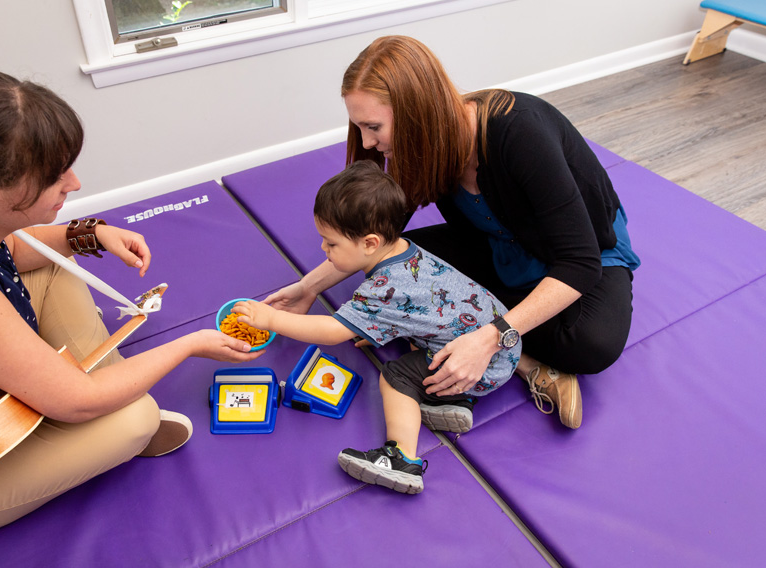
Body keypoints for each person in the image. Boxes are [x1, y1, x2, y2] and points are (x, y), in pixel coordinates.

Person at [0, 64, 262, 546]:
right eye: (55, 176)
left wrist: (88, 234)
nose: (74, 183)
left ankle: (100, 391)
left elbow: (13, 250)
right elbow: (76, 404)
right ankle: (112, 406)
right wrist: (191, 344)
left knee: (56, 262)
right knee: (134, 419)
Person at [266, 36, 640, 430]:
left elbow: (579, 262)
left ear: (417, 113)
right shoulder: (425, 146)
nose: (366, 142)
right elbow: (374, 234)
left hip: (581, 255)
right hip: (498, 244)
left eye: (373, 126)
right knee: (384, 266)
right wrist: (309, 287)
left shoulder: (519, 131)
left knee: (592, 345)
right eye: (359, 126)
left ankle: (490, 342)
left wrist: (488, 339)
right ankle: (523, 360)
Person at [234, 161, 520, 494]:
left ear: (370, 243)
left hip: (484, 362)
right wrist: (372, 325)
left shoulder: (383, 289)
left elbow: (333, 331)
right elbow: (421, 312)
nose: (323, 250)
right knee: (411, 344)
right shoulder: (405, 251)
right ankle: (452, 402)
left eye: (331, 244)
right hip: (502, 339)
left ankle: (401, 459)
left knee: (395, 376)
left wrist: (270, 319)